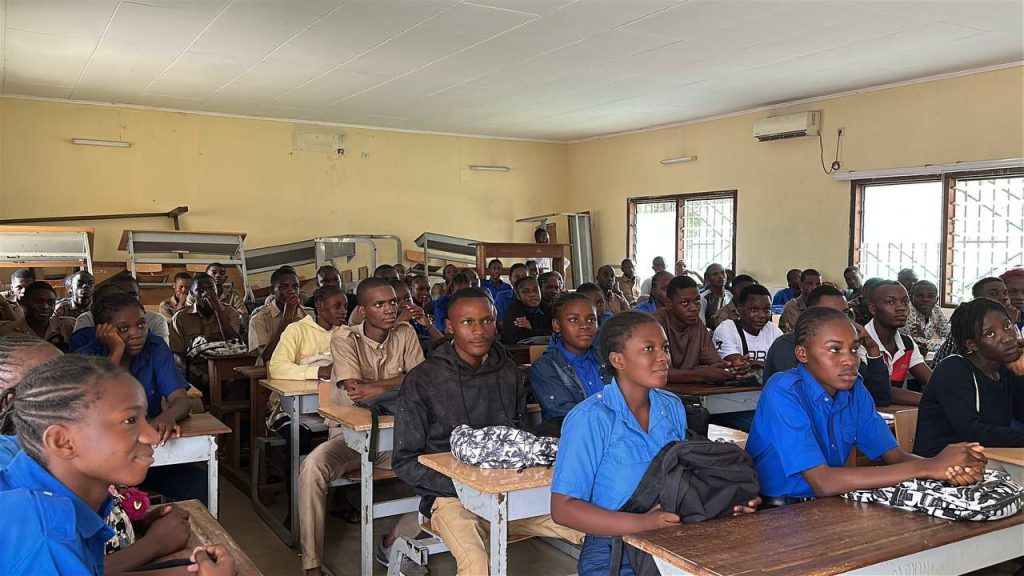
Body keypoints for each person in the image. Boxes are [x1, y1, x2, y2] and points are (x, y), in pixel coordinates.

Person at [550, 311, 759, 575]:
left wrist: (727, 502)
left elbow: (683, 480)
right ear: (617, 360)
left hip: (671, 541)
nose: (663, 357)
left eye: (665, 348)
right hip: (615, 553)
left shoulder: (671, 407)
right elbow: (563, 509)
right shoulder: (590, 419)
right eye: (649, 349)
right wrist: (644, 523)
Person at [393, 287, 584, 575]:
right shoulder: (423, 380)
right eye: (467, 322)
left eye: (487, 321)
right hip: (452, 498)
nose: (479, 330)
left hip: (510, 494)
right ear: (449, 326)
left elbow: (519, 436)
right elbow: (405, 461)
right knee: (477, 563)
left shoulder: (507, 371)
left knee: (595, 528)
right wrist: (469, 487)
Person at [0, 355, 238, 575]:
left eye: (144, 418)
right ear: (63, 441)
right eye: (130, 420)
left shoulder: (46, 486)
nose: (152, 437)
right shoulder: (46, 537)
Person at [746, 307, 986, 504]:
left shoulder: (855, 390)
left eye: (853, 349)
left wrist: (950, 469)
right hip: (777, 512)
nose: (849, 360)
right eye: (834, 350)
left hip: (830, 503)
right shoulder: (783, 391)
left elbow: (894, 456)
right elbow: (823, 481)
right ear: (802, 354)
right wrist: (930, 466)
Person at [324, 277, 424, 574]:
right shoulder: (344, 338)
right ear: (363, 311)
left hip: (400, 435)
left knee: (445, 472)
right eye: (379, 304)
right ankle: (311, 559)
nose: (390, 309)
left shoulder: (406, 333)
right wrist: (399, 383)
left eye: (393, 302)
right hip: (351, 437)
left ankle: (394, 541)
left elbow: (422, 379)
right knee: (313, 468)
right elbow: (355, 391)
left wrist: (377, 387)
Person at [73, 288, 206, 504]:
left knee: (201, 485)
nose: (137, 333)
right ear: (103, 331)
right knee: (108, 504)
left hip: (149, 452)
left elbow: (181, 400)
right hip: (103, 460)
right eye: (123, 328)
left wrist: (167, 417)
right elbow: (91, 410)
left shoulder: (155, 347)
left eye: (141, 324)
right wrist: (115, 352)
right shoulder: (86, 357)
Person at [913, 298, 1024, 458]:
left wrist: (1021, 373)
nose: (1007, 338)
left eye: (1007, 326)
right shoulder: (953, 369)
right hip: (940, 463)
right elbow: (972, 433)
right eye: (990, 334)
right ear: (972, 344)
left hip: (986, 457)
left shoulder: (1004, 369)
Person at [763, 285, 906, 407]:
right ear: (810, 313)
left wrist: (872, 348)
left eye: (845, 313)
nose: (842, 320)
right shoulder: (786, 346)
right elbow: (804, 399)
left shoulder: (846, 351)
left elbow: (881, 397)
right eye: (831, 313)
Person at [529, 293, 603, 423]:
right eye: (574, 320)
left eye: (591, 320)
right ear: (556, 325)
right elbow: (570, 415)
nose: (585, 326)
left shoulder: (609, 360)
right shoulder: (544, 368)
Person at [654, 276, 737, 384]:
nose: (693, 308)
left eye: (697, 301)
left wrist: (733, 366)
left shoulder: (696, 323)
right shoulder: (655, 324)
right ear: (669, 303)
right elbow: (658, 372)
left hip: (689, 390)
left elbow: (715, 362)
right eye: (685, 303)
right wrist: (701, 375)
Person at [168, 272, 242, 389]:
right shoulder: (180, 317)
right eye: (201, 290)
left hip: (225, 367)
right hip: (194, 371)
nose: (207, 293)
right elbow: (177, 354)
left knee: (237, 383)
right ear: (192, 294)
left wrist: (217, 310)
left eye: (211, 288)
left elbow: (235, 342)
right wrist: (200, 374)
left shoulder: (230, 313)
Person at [863, 281, 931, 393]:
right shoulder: (860, 342)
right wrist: (928, 400)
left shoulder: (907, 343)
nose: (901, 308)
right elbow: (878, 391)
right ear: (873, 309)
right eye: (890, 302)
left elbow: (932, 381)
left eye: (905, 302)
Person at [73, 272, 170, 346]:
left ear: (139, 298)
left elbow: (160, 357)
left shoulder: (156, 321)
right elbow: (80, 360)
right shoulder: (87, 319)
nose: (127, 300)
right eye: (121, 295)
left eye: (132, 294)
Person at [713, 284, 782, 368]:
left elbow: (785, 360)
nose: (762, 315)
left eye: (767, 309)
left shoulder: (772, 329)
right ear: (739, 309)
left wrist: (756, 364)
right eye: (754, 309)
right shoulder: (726, 329)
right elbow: (740, 364)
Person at [249, 267, 309, 362]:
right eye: (284, 287)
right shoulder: (259, 319)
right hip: (272, 369)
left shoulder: (309, 314)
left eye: (295, 287)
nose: (291, 291)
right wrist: (286, 318)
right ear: (272, 291)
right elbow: (267, 356)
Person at [0, 281, 75, 352]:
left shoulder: (67, 326)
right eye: (38, 302)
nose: (45, 307)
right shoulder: (6, 331)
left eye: (50, 303)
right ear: (24, 303)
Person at [901, 280, 950, 354]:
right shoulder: (906, 311)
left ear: (936, 300)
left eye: (930, 296)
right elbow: (917, 342)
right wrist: (946, 343)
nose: (925, 299)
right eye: (919, 296)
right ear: (910, 297)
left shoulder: (936, 310)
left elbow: (948, 333)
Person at [501, 276, 552, 345]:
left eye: (535, 290)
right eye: (525, 291)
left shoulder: (548, 308)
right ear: (518, 296)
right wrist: (541, 332)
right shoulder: (513, 310)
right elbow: (515, 338)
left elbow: (557, 333)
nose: (532, 294)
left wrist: (531, 328)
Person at [779, 269, 822, 333]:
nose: (814, 288)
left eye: (818, 284)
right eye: (809, 284)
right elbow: (801, 332)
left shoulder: (823, 305)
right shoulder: (792, 306)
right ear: (800, 285)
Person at [699, 263, 730, 330]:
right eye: (715, 274)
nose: (720, 276)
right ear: (707, 278)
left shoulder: (730, 296)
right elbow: (701, 325)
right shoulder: (703, 298)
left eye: (723, 273)